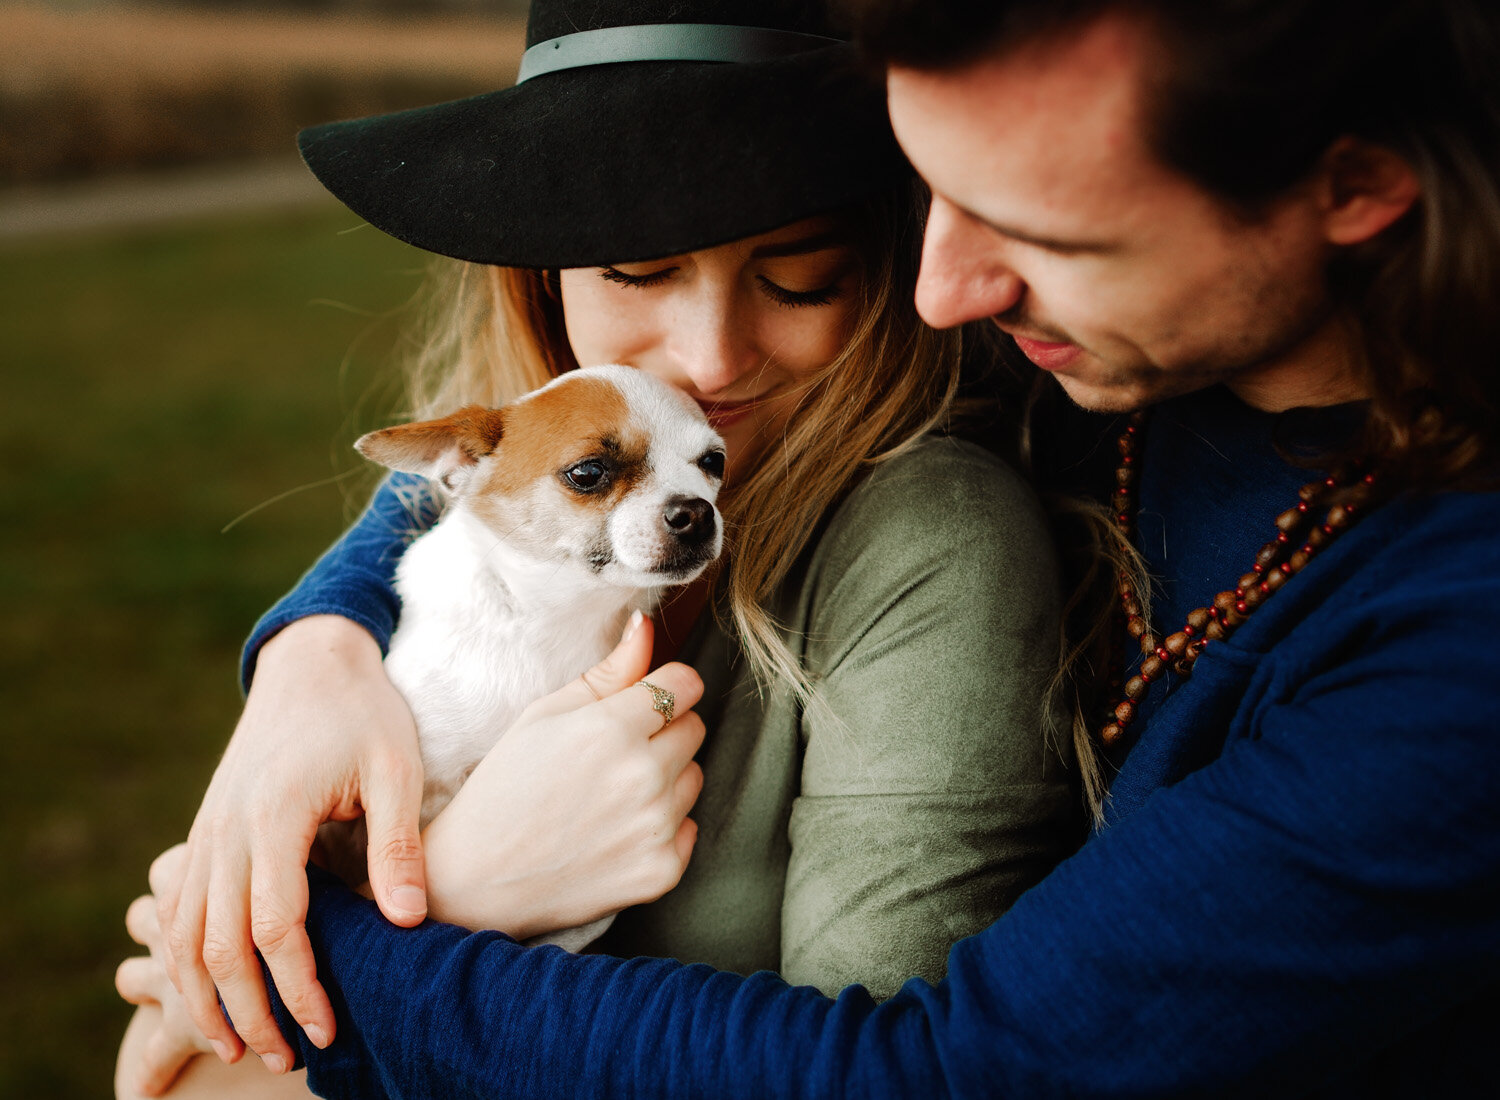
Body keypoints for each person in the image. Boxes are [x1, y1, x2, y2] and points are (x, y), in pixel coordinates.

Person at [120, 0, 1500, 1095]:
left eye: (808, 275)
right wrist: (316, 653)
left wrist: (311, 957)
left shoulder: (1448, 650)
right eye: (924, 205)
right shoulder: (1068, 339)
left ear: (1356, 186)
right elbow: (517, 472)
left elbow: (935, 1073)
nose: (947, 289)